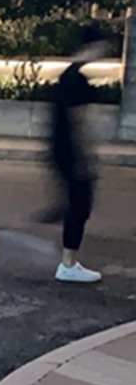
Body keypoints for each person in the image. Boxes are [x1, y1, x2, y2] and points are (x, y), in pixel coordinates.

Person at [48, 23, 114, 283]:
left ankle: (68, 261)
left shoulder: (67, 75)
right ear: (93, 46)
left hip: (62, 150)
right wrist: (87, 155)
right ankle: (68, 264)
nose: (104, 53)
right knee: (80, 206)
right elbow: (80, 120)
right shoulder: (78, 80)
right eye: (102, 47)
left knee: (76, 204)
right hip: (73, 152)